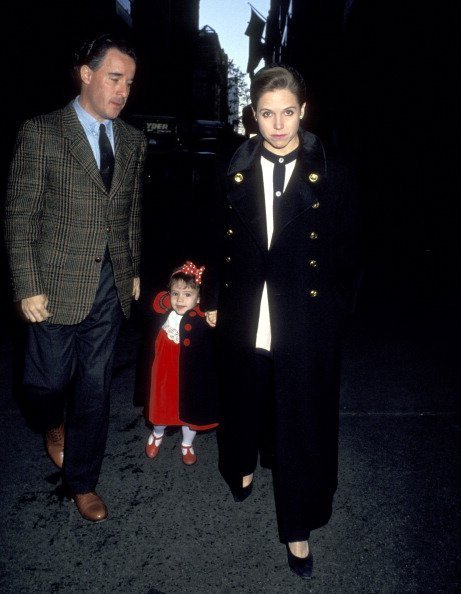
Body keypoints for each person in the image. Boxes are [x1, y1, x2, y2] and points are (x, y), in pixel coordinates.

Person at [204, 65, 361, 579]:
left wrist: (334, 315)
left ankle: (298, 525)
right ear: (253, 115)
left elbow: (349, 255)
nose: (278, 124)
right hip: (248, 308)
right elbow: (214, 240)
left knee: (301, 420)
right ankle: (242, 464)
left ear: (303, 112)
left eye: (288, 113)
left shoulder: (331, 172)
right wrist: (211, 296)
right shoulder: (235, 166)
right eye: (267, 114)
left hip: (305, 314)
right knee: (245, 394)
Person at [4, 33, 148, 522]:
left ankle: (83, 482)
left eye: (129, 82)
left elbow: (129, 212)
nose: (123, 91)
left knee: (93, 388)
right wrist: (26, 284)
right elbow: (20, 215)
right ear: (85, 75)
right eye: (114, 78)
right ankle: (50, 424)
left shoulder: (132, 140)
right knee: (44, 385)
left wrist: (130, 270)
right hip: (53, 284)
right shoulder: (41, 132)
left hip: (108, 285)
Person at [145, 261, 218, 465]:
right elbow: (155, 302)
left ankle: (187, 443)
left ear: (199, 297)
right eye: (175, 293)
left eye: (187, 294)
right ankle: (157, 434)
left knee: (189, 410)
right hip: (164, 369)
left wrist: (210, 310)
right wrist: (169, 299)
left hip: (190, 371)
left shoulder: (202, 315)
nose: (180, 299)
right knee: (161, 405)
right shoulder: (164, 308)